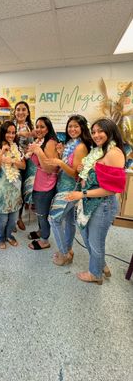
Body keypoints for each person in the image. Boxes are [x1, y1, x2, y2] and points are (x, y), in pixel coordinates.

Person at [66, 118, 126, 284]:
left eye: (100, 131)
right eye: (93, 132)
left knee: (95, 241)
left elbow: (112, 189)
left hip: (103, 204)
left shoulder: (114, 153)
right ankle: (102, 264)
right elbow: (95, 173)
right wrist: (83, 168)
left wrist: (82, 194)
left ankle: (95, 274)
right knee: (86, 235)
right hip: (91, 202)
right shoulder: (99, 150)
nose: (96, 135)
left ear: (110, 131)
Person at [48, 115, 92, 265]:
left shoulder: (80, 147)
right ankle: (68, 248)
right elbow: (71, 164)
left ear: (82, 128)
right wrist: (62, 154)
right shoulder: (72, 143)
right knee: (69, 221)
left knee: (54, 219)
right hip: (65, 187)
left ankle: (64, 253)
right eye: (70, 126)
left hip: (70, 189)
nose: (72, 129)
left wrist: (59, 162)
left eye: (76, 126)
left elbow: (75, 174)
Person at [0, 121, 26, 249]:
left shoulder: (16, 147)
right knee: (3, 218)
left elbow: (23, 165)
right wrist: (1, 153)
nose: (11, 135)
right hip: (0, 188)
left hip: (14, 187)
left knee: (14, 217)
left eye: (13, 132)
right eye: (8, 132)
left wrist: (13, 160)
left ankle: (9, 235)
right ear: (2, 132)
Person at [26, 117, 58, 250]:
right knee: (39, 211)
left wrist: (38, 151)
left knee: (42, 213)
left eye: (42, 127)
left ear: (48, 128)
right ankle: (41, 231)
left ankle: (45, 240)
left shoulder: (50, 143)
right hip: (39, 181)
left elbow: (50, 168)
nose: (38, 129)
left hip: (46, 184)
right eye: (37, 126)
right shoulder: (40, 141)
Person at [13, 101, 37, 231]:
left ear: (28, 112)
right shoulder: (11, 126)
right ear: (14, 112)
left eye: (23, 109)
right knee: (13, 191)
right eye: (18, 109)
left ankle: (19, 218)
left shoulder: (31, 128)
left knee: (22, 191)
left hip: (27, 164)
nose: (21, 112)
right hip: (12, 163)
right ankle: (11, 219)